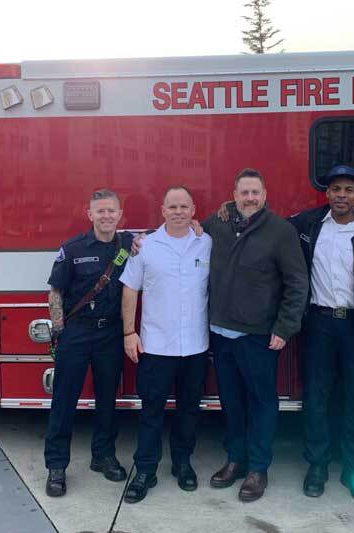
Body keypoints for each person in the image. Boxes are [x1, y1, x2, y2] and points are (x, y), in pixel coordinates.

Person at [287, 164, 354, 503]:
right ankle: (317, 466)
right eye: (335, 189)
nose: (341, 196)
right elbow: (269, 227)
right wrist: (226, 211)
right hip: (318, 325)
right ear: (327, 193)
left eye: (348, 190)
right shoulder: (307, 225)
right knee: (316, 399)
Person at [204, 168, 308, 502]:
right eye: (244, 192)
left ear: (264, 195)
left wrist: (284, 328)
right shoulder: (216, 225)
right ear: (233, 195)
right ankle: (236, 460)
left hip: (259, 337)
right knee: (232, 403)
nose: (250, 198)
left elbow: (297, 283)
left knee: (262, 403)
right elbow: (184, 230)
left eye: (255, 193)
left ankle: (258, 469)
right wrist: (137, 239)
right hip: (221, 333)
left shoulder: (281, 231)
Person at [120, 186, 212, 504]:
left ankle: (182, 463)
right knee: (151, 412)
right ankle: (145, 470)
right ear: (162, 210)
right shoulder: (145, 246)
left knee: (188, 411)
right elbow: (130, 290)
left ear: (193, 209)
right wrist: (129, 333)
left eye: (183, 206)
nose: (178, 212)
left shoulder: (206, 243)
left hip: (196, 347)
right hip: (156, 347)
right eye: (172, 206)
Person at [44, 189, 133, 497]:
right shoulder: (73, 248)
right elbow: (55, 291)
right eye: (101, 211)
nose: (106, 216)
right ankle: (56, 466)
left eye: (112, 211)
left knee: (107, 399)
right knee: (64, 400)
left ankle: (103, 455)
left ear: (120, 214)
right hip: (77, 333)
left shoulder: (129, 245)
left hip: (110, 333)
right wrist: (59, 329)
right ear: (90, 214)